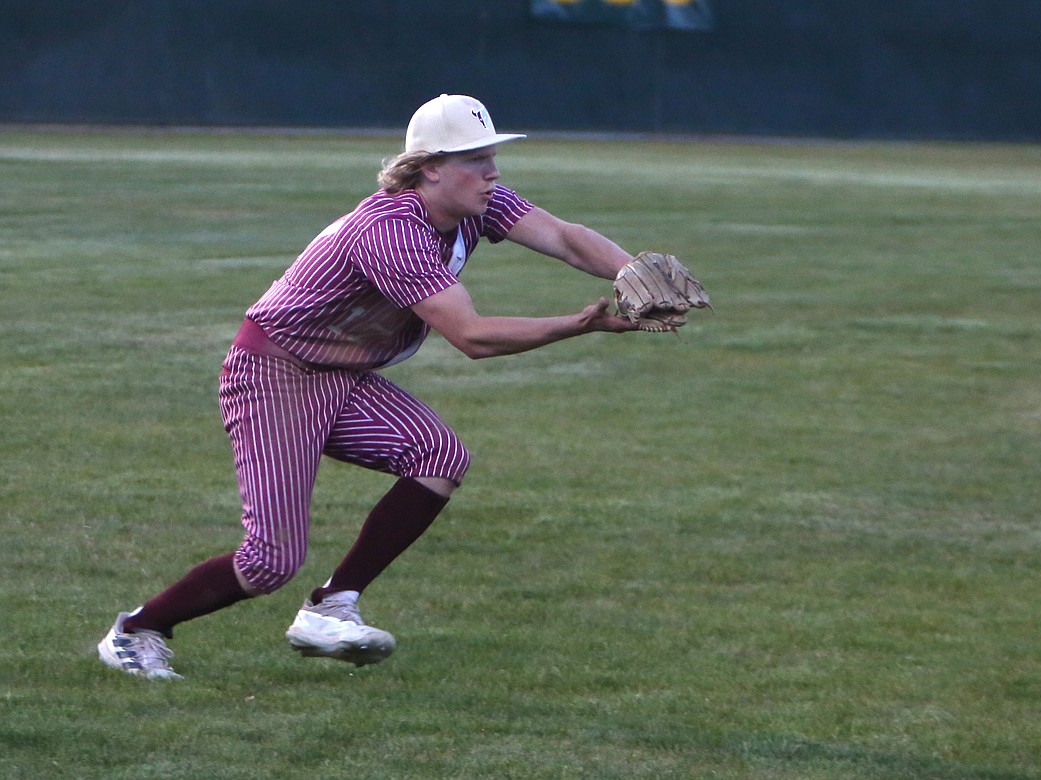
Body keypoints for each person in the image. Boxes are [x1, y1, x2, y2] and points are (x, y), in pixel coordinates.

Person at [98, 94, 643, 679]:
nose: (493, 172)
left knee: (438, 454)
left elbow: (563, 237)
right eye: (476, 159)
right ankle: (137, 629)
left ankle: (332, 604)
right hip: (276, 375)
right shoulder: (393, 231)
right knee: (270, 563)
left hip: (342, 373)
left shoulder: (473, 205)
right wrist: (579, 324)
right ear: (430, 166)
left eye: (492, 157)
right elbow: (473, 336)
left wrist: (636, 270)